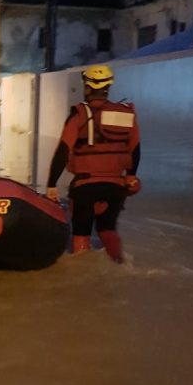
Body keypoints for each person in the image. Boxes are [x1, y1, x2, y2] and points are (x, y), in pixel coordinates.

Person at [46, 64, 141, 263]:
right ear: (108, 87)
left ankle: (81, 269)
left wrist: (52, 184)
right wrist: (131, 176)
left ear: (87, 87)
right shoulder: (125, 114)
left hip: (85, 186)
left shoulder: (79, 115)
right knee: (107, 228)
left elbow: (63, 151)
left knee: (81, 232)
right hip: (116, 187)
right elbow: (135, 149)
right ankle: (119, 263)